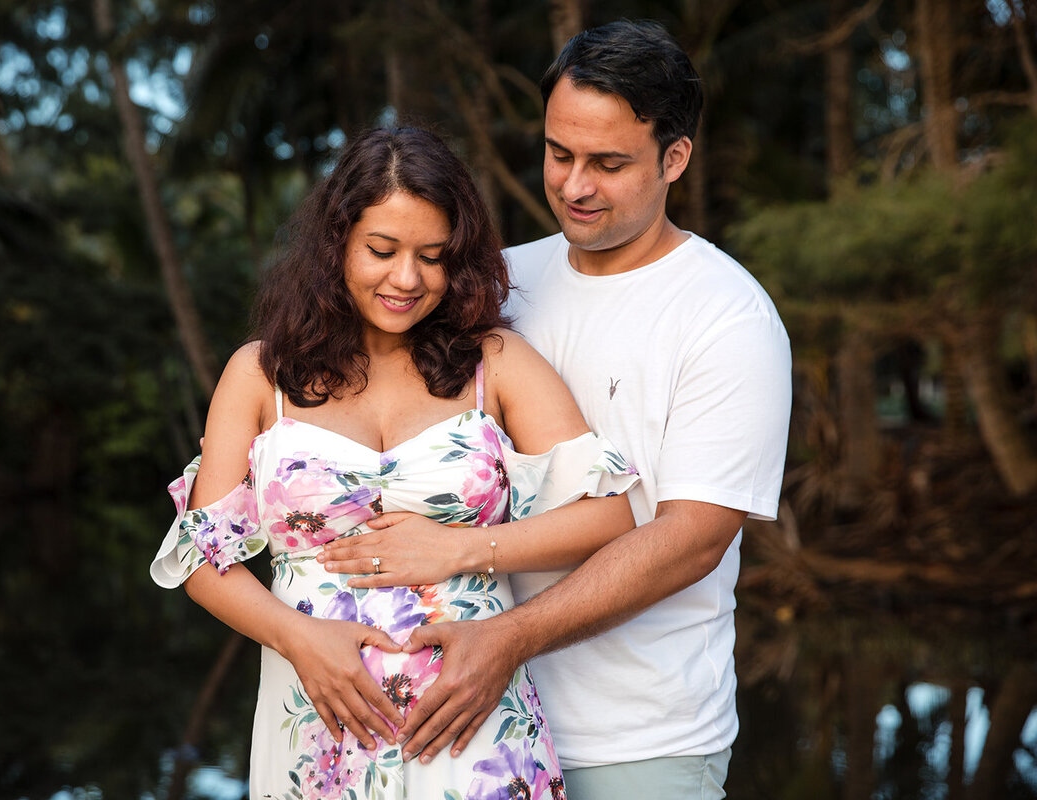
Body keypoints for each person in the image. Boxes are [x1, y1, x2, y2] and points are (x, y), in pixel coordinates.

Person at [321, 21, 792, 799]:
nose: (574, 185)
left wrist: (504, 632)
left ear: (675, 158)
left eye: (609, 164)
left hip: (638, 741)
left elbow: (690, 540)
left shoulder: (727, 316)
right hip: (460, 728)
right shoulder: (497, 283)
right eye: (559, 153)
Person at [149, 126, 640, 800]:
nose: (406, 279)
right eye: (382, 250)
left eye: (432, 257)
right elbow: (201, 556)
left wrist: (460, 548)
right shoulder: (260, 376)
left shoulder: (494, 363)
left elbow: (608, 519)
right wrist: (299, 639)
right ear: (336, 245)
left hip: (472, 729)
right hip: (315, 727)